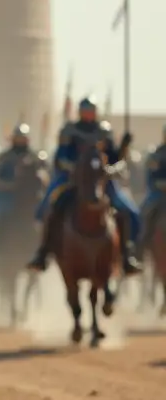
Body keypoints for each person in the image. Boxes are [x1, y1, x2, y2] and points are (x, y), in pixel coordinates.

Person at [26, 97, 140, 275]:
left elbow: (116, 160)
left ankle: (127, 254)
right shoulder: (70, 131)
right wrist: (77, 169)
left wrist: (123, 147)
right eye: (85, 110)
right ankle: (43, 252)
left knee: (129, 211)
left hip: (101, 180)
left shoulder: (104, 131)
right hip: (72, 179)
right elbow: (61, 158)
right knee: (50, 205)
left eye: (90, 110)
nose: (88, 114)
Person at [0, 123, 46, 261]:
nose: (20, 141)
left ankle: (44, 253)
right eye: (18, 138)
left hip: (30, 198)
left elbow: (43, 176)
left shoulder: (35, 157)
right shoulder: (4, 157)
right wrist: (10, 185)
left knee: (46, 217)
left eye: (22, 138)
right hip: (8, 196)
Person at [139, 129, 166, 255]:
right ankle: (141, 245)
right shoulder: (156, 154)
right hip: (158, 192)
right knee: (145, 211)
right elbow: (151, 176)